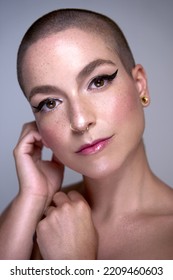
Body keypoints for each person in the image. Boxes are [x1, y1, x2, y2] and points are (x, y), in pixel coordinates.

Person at [0, 8, 173, 260]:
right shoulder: (30, 219)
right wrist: (32, 197)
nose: (80, 122)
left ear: (139, 85)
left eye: (98, 82)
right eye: (49, 103)